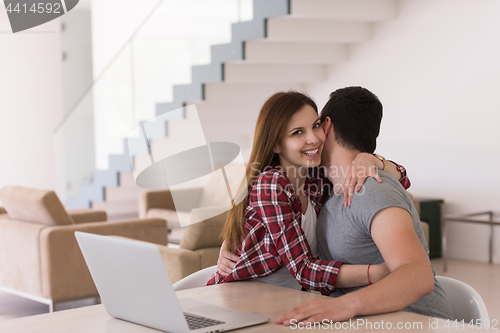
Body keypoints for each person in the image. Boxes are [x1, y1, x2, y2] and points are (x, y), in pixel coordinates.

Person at [276, 87, 454, 325]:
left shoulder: (372, 189)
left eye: (316, 125)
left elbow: (418, 277)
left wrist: (343, 306)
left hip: (415, 323)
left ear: (326, 126)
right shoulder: (323, 185)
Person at [206, 91, 410, 294]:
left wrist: (372, 160)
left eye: (315, 126)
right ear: (276, 144)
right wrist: (378, 273)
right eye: (297, 132)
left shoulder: (316, 176)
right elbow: (304, 270)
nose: (313, 139)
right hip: (243, 297)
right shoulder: (271, 184)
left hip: (290, 299)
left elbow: (402, 177)